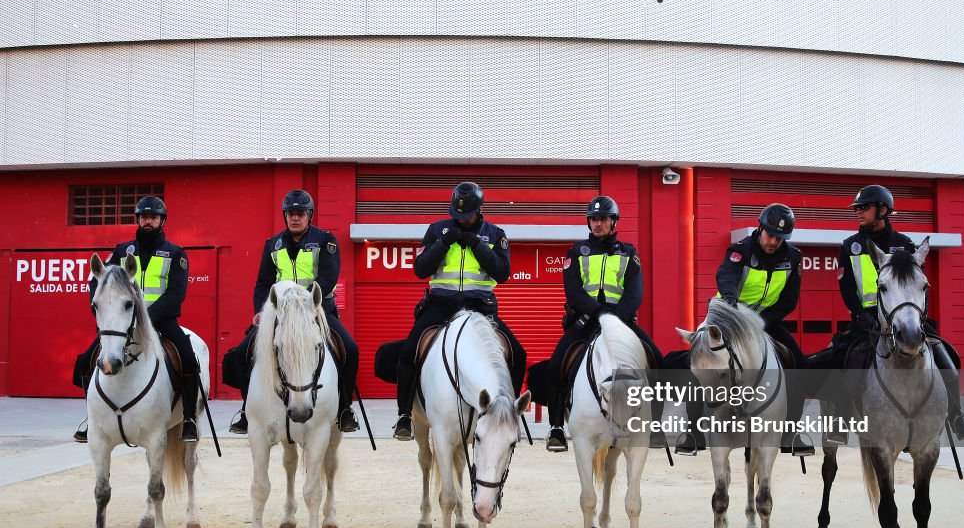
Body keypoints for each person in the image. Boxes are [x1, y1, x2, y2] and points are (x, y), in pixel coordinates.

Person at [822, 184, 964, 444]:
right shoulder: (850, 246)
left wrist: (916, 314)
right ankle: (839, 421)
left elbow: (918, 284)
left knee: (946, 356)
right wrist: (859, 314)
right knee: (843, 358)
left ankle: (956, 415)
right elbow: (846, 286)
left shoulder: (905, 245)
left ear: (883, 210)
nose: (858, 213)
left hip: (905, 318)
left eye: (864, 208)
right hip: (868, 320)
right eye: (857, 208)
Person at [674, 203, 813, 456]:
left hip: (764, 321)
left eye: (780, 238)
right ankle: (693, 432)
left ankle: (791, 433)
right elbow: (726, 275)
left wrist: (763, 321)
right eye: (770, 235)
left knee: (800, 366)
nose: (773, 242)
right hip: (728, 315)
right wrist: (729, 303)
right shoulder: (741, 250)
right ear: (760, 229)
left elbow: (790, 300)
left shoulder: (793, 258)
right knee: (702, 361)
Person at [392, 182, 527, 440]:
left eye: (467, 215)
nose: (462, 219)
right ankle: (404, 414)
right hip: (440, 305)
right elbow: (420, 269)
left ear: (479, 210)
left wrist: (477, 244)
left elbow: (502, 273)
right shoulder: (436, 230)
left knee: (517, 353)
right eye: (457, 214)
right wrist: (443, 242)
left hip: (480, 307)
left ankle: (508, 411)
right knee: (409, 351)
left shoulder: (495, 234)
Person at [227, 189, 359, 434]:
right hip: (280, 314)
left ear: (309, 215)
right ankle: (247, 410)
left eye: (300, 213)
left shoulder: (325, 240)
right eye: (290, 214)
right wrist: (261, 310)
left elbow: (328, 279)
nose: (294, 218)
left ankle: (344, 408)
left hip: (316, 311)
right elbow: (263, 284)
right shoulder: (272, 244)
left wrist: (305, 302)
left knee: (349, 349)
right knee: (241, 354)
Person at [73, 196, 200, 443]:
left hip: (161, 320)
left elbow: (176, 294)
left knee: (187, 358)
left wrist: (146, 318)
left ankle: (188, 419)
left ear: (162, 221)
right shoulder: (121, 251)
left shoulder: (176, 253)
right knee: (85, 361)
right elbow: (96, 282)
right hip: (122, 323)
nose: (148, 221)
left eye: (153, 217)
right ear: (138, 220)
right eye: (144, 217)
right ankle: (91, 417)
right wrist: (102, 312)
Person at [544, 195, 664, 452]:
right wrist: (597, 312)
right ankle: (556, 427)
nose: (597, 224)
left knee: (657, 360)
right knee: (555, 367)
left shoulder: (629, 253)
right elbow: (573, 291)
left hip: (621, 321)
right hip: (586, 321)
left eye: (603, 219)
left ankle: (655, 425)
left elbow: (635, 292)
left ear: (613, 221)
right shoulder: (575, 252)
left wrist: (616, 316)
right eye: (594, 219)